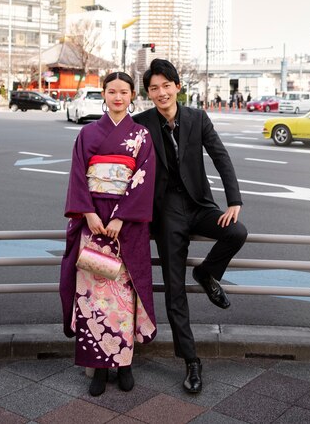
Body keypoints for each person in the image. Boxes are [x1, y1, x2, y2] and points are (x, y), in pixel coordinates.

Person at [134, 59, 247, 394]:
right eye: (154, 88)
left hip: (199, 205)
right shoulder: (141, 123)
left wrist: (234, 200)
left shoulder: (197, 118)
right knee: (174, 289)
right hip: (166, 214)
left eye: (166, 85)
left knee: (236, 232)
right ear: (149, 93)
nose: (161, 92)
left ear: (177, 86)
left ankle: (206, 273)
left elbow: (220, 155)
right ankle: (191, 361)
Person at [60, 72, 157, 397]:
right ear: (103, 94)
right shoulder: (87, 133)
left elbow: (143, 180)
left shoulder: (141, 136)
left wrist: (122, 219)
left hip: (125, 231)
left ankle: (125, 364)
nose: (118, 97)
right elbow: (77, 175)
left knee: (124, 297)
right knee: (92, 298)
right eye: (112, 91)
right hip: (92, 226)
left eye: (124, 92)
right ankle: (98, 369)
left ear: (132, 96)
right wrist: (87, 212)